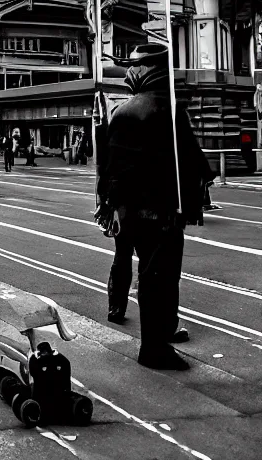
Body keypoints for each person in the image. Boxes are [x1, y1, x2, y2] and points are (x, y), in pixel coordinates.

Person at [95, 44, 214, 371]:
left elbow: (110, 167)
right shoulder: (168, 109)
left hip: (130, 210)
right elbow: (191, 160)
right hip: (162, 211)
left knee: (144, 274)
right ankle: (155, 347)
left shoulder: (122, 111)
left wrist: (109, 205)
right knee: (160, 279)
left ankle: (151, 338)